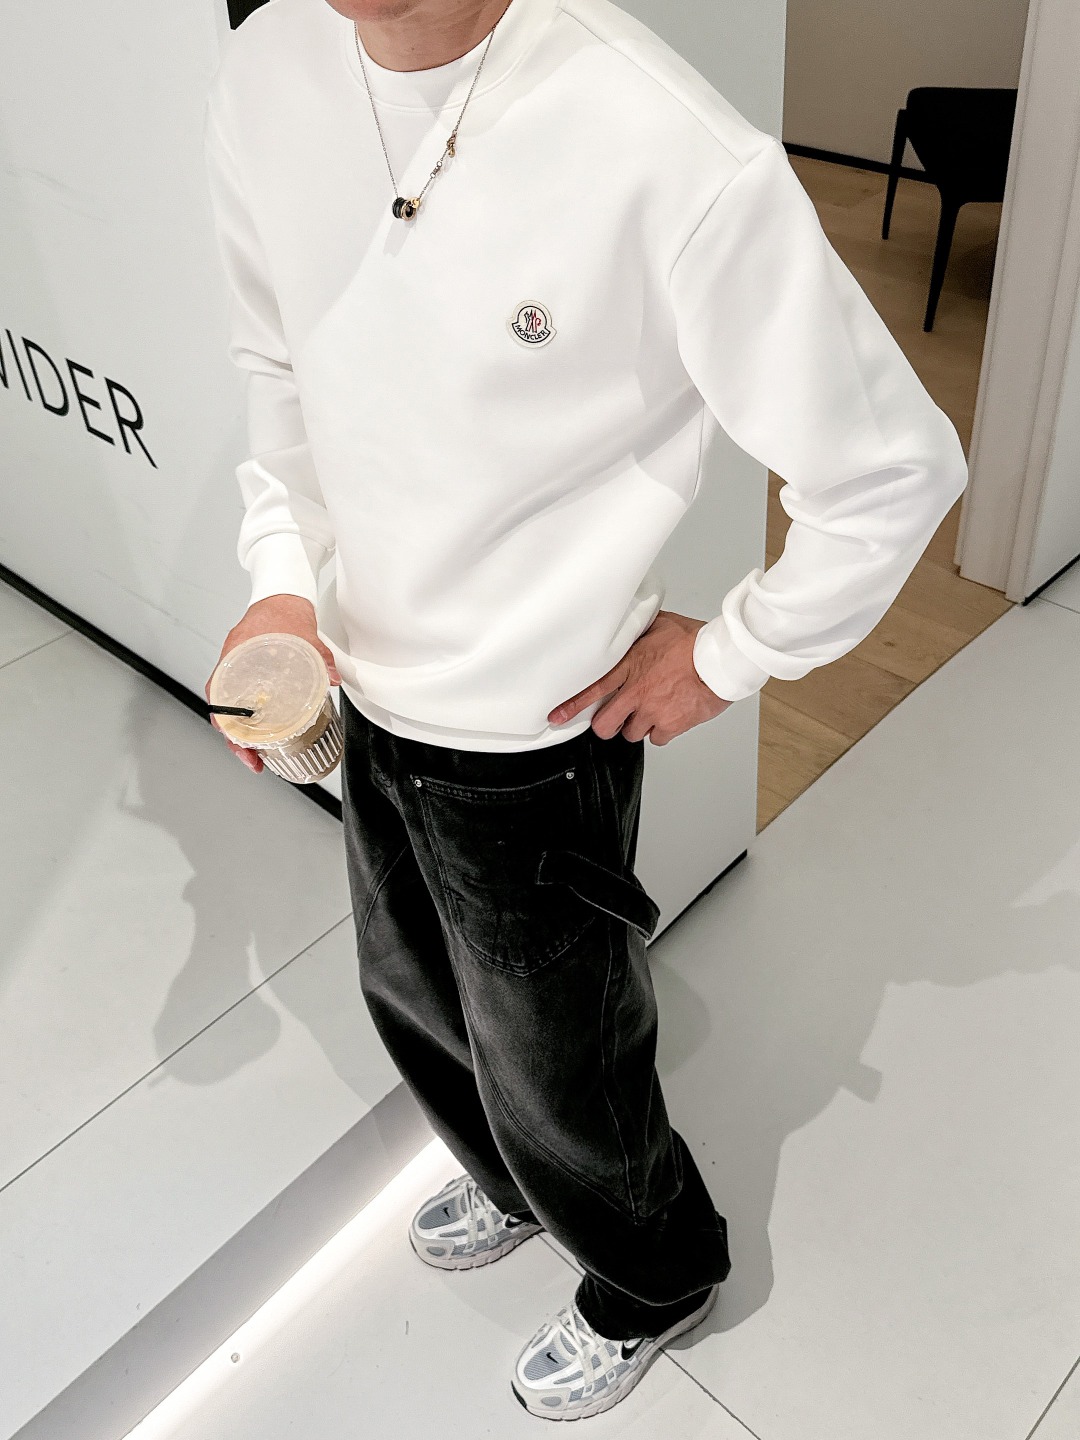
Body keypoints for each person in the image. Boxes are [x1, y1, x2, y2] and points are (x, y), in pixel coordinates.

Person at [202, 0, 968, 1420]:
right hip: (363, 691)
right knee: (411, 991)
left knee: (562, 1058)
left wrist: (730, 654)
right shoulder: (267, 65)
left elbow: (891, 471)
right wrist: (281, 584)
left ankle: (654, 1271)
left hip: (543, 735)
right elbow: (279, 365)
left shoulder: (662, 142)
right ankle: (512, 1178)